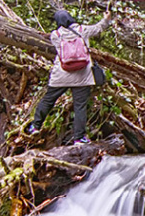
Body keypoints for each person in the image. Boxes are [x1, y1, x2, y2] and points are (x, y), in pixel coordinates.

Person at [26, 8, 109, 143]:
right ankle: (79, 138)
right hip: (82, 75)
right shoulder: (83, 30)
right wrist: (106, 18)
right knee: (80, 106)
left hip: (61, 75)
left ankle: (35, 126)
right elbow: (99, 28)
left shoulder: (55, 35)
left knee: (48, 100)